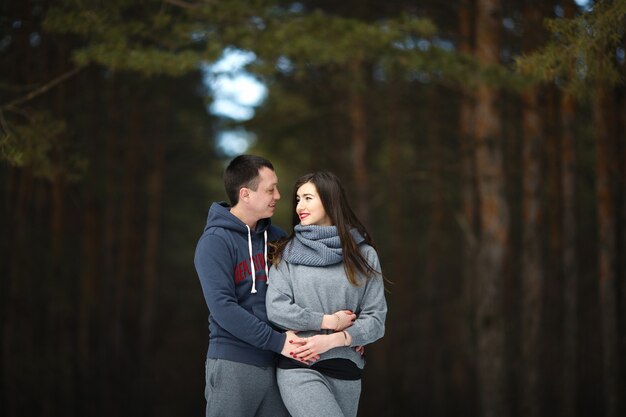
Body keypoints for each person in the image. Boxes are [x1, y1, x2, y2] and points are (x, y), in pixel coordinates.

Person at [266, 171, 388, 417]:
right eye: (298, 199)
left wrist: (333, 339)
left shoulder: (364, 255)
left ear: (330, 200)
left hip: (346, 367)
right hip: (300, 365)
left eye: (308, 198)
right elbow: (277, 309)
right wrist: (328, 322)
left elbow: (376, 320)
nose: (300, 205)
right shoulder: (286, 252)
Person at [194, 154, 296, 417]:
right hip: (233, 363)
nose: (278, 195)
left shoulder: (278, 239)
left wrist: (344, 333)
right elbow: (223, 309)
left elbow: (305, 291)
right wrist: (278, 341)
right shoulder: (214, 242)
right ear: (245, 194)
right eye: (270, 189)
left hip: (279, 365)